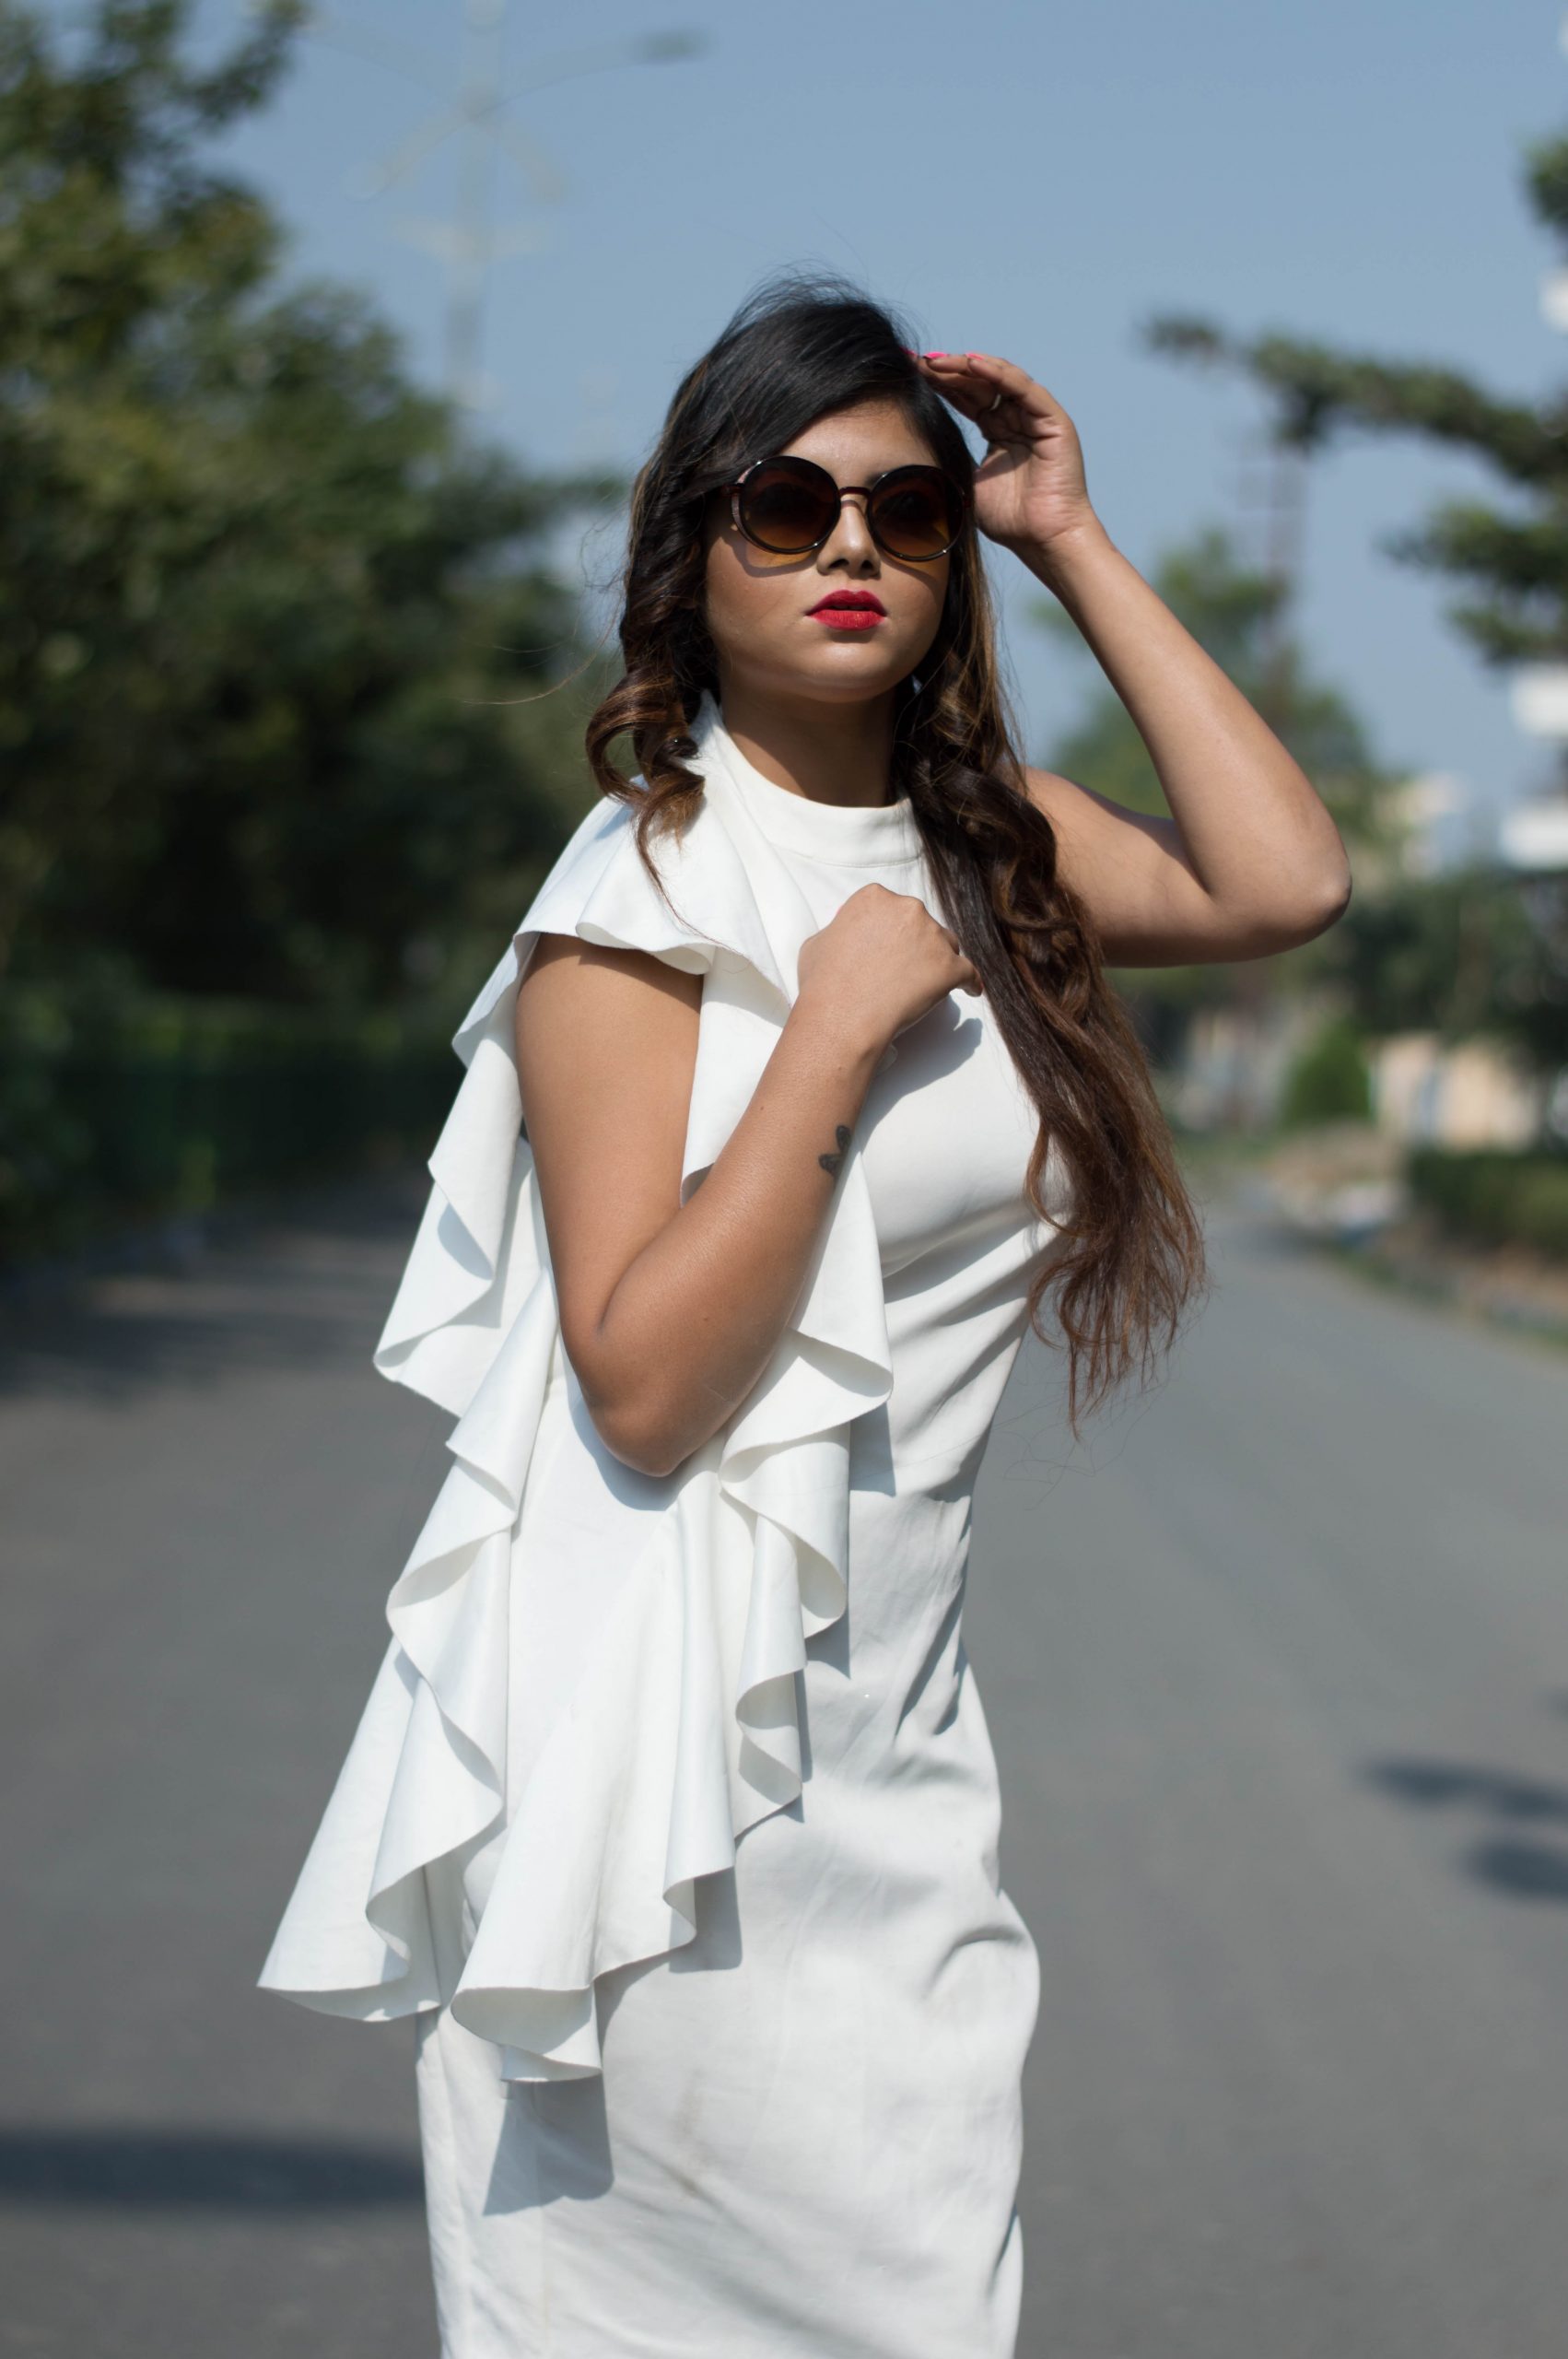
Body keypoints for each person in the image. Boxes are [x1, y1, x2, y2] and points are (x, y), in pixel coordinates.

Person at [259, 269, 1352, 2357]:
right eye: (782, 504)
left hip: (891, 1777)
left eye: (905, 510)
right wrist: (827, 1043)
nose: (850, 545)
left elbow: (1279, 878)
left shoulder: (990, 846)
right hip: (661, 1790)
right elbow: (645, 1382)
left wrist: (1068, 534)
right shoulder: (635, 893)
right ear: (693, 552)